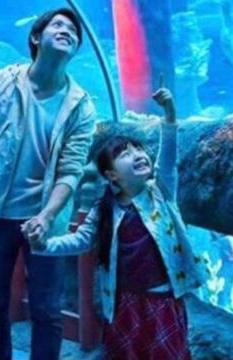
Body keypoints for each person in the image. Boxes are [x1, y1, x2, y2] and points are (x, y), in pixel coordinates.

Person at [0, 8, 98, 360]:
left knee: (47, 308)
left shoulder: (81, 106)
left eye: (73, 31)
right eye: (58, 25)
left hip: (47, 221)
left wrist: (47, 217)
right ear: (36, 38)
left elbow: (71, 171)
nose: (67, 31)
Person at [31, 81, 205, 360]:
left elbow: (169, 157)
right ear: (111, 175)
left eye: (138, 150)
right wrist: (44, 245)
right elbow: (80, 240)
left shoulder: (160, 192)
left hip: (162, 299)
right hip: (123, 304)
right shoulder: (104, 209)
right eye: (125, 154)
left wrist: (170, 114)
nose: (137, 155)